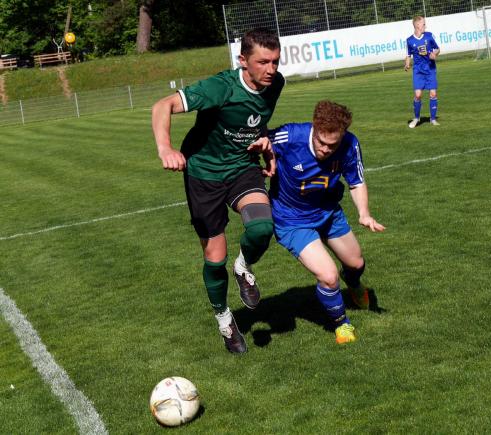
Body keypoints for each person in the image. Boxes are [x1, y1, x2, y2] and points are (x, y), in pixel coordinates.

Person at [151, 28, 285, 354]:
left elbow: (255, 121)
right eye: (262, 62)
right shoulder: (219, 88)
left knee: (262, 226)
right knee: (214, 257)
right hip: (204, 174)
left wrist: (266, 145)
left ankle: (243, 267)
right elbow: (162, 105)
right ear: (243, 61)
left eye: (275, 61)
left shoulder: (275, 83)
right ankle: (225, 319)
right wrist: (166, 148)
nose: (271, 69)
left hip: (242, 167)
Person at [268, 101, 385, 345]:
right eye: (321, 142)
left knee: (356, 263)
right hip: (292, 220)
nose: (325, 149)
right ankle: (342, 324)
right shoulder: (288, 136)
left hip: (328, 212)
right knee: (329, 276)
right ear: (314, 127)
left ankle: (353, 284)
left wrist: (364, 213)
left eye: (332, 145)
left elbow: (356, 181)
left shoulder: (350, 144)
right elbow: (256, 144)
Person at [404, 15, 440, 128]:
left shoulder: (429, 36)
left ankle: (433, 119)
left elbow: (438, 48)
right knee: (418, 95)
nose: (425, 25)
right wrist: (407, 63)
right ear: (417, 25)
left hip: (430, 68)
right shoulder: (409, 41)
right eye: (423, 24)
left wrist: (435, 54)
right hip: (418, 71)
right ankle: (416, 118)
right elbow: (408, 55)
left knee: (433, 93)